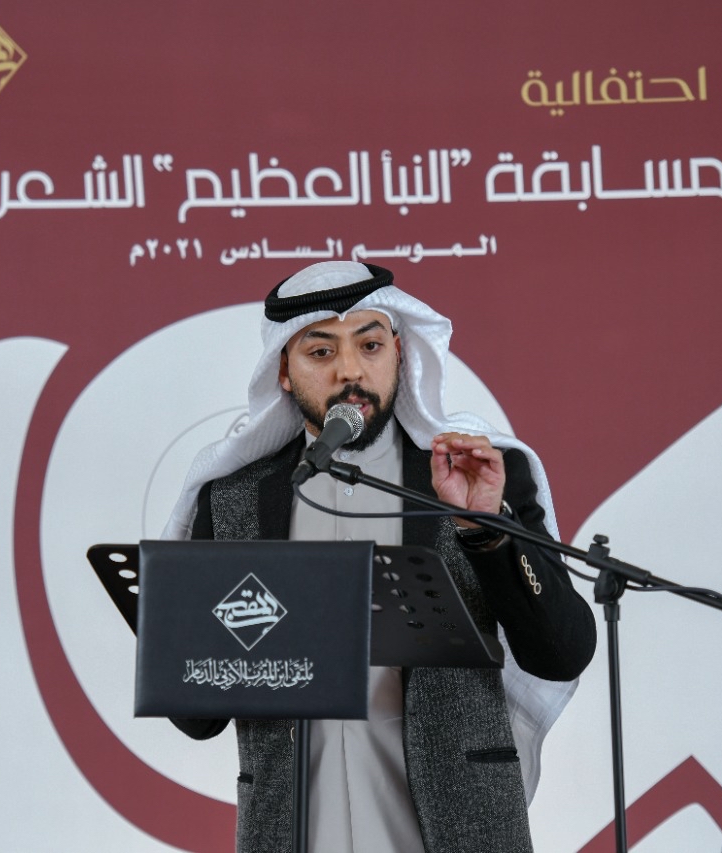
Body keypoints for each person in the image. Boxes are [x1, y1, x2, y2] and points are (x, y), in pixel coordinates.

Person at [162, 261, 596, 853]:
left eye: (369, 346)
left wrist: (486, 531)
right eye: (321, 352)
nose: (350, 370)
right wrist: (191, 636)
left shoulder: (478, 474)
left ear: (399, 352)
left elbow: (561, 653)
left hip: (457, 834)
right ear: (283, 372)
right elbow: (197, 719)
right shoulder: (235, 500)